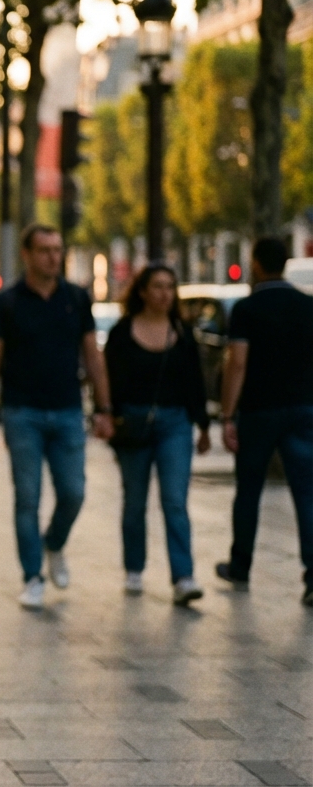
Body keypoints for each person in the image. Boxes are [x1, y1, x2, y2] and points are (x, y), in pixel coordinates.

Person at [0, 224, 113, 609]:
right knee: (27, 497)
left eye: (58, 249)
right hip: (22, 413)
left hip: (69, 410)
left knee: (74, 491)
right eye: (45, 250)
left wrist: (104, 409)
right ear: (27, 255)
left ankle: (54, 542)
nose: (54, 256)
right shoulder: (7, 303)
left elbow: (93, 356)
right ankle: (32, 575)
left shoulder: (76, 298)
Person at [215, 237, 313, 604]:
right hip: (303, 408)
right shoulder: (308, 306)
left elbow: (237, 362)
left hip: (258, 411)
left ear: (256, 263)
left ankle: (241, 564)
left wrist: (227, 414)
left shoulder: (247, 309)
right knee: (307, 493)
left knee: (249, 491)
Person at [105, 264, 209, 605]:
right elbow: (109, 378)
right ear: (142, 292)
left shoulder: (182, 330)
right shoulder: (122, 332)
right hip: (133, 424)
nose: (165, 293)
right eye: (158, 286)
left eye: (170, 287)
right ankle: (134, 567)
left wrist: (204, 425)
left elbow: (195, 381)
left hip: (176, 423)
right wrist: (108, 417)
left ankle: (183, 576)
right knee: (134, 501)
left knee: (174, 500)